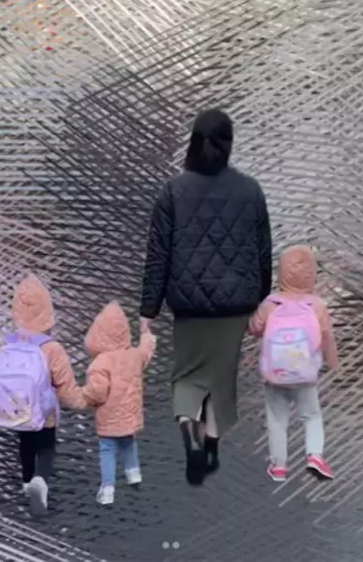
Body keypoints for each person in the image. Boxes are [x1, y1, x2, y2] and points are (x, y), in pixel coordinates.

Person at [139, 108, 272, 486]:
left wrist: (148, 311)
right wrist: (261, 301)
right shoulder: (250, 190)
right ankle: (211, 448)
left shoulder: (173, 191)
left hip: (188, 306)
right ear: (229, 144)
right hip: (234, 307)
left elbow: (158, 256)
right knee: (220, 378)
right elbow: (263, 252)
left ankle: (190, 437)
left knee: (187, 375)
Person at [0, 274, 80, 515]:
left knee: (25, 440)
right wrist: (77, 402)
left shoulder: (5, 344)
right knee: (46, 445)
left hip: (16, 409)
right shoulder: (51, 348)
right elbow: (65, 386)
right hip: (44, 412)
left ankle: (26, 481)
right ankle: (40, 479)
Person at [248, 245, 339, 482]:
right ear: (312, 275)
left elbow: (254, 328)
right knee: (311, 416)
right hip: (305, 375)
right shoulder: (316, 306)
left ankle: (279, 466)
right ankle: (315, 456)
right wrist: (334, 363)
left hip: (275, 376)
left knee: (277, 420)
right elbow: (327, 337)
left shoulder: (271, 304)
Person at [72, 301, 156, 505]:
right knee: (128, 443)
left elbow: (97, 392)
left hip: (109, 419)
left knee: (107, 450)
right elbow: (146, 352)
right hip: (130, 417)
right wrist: (146, 334)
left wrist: (83, 394)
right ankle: (134, 475)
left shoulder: (101, 362)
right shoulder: (133, 356)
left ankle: (108, 488)